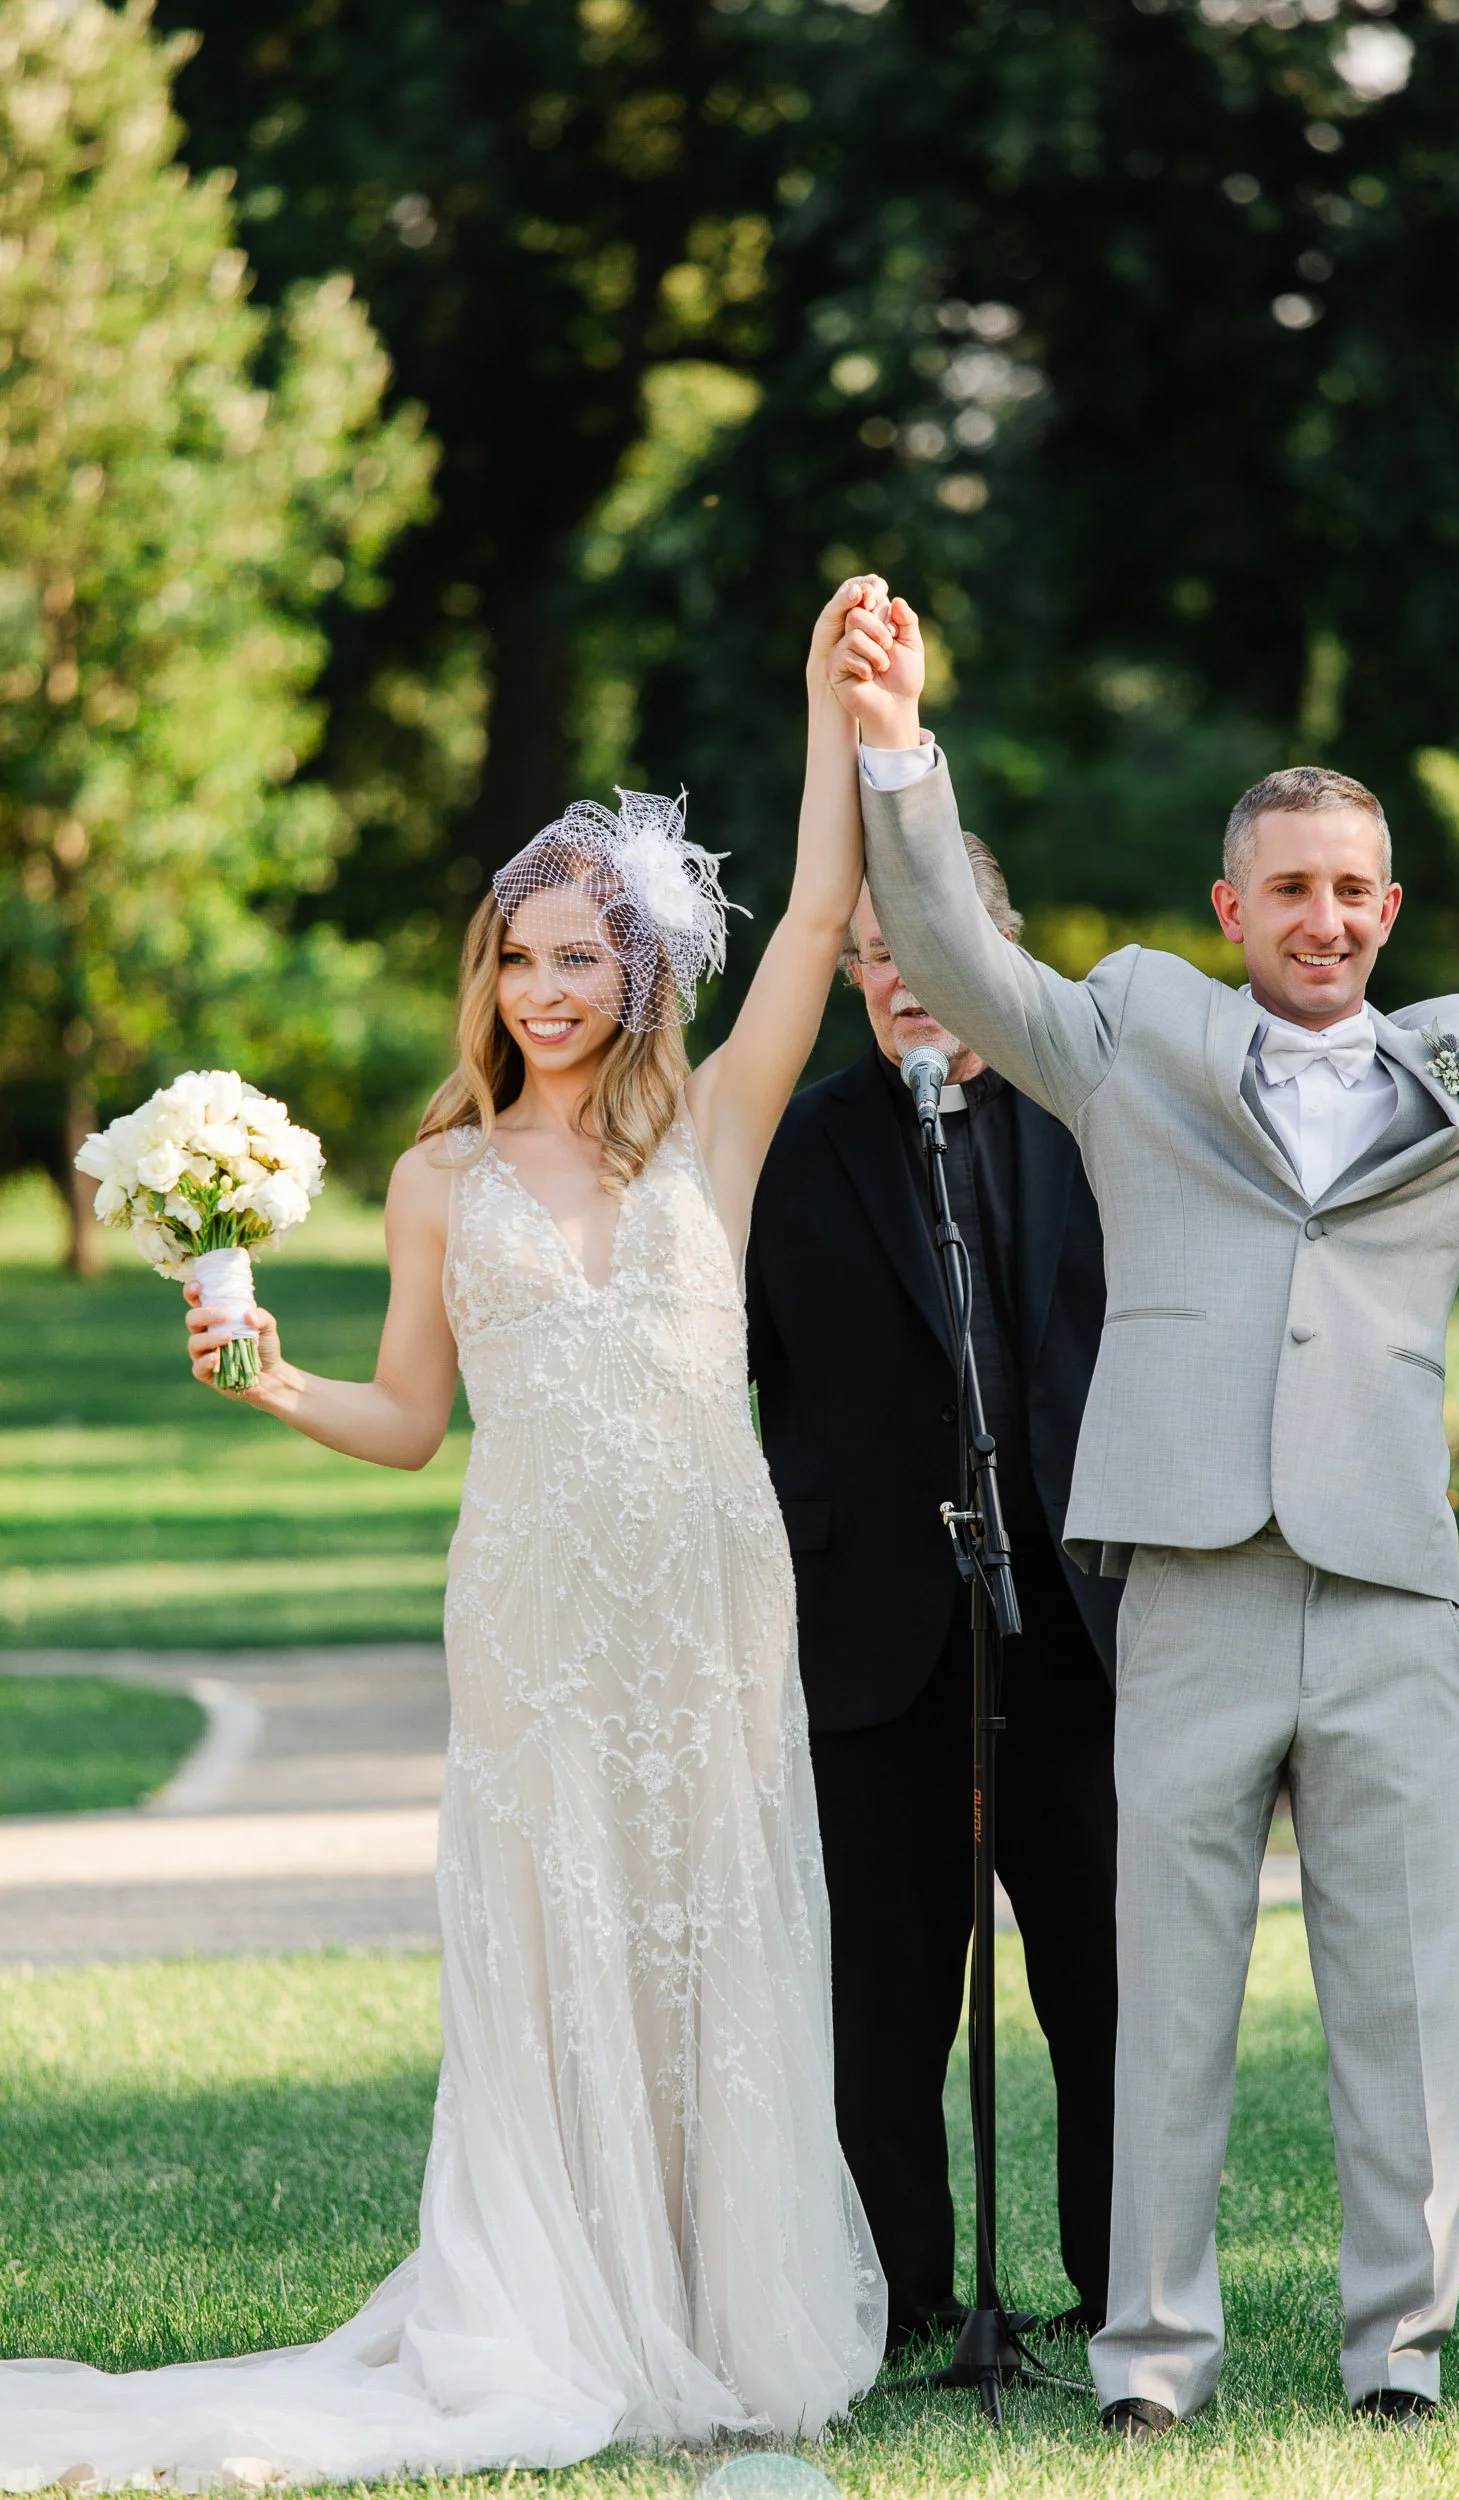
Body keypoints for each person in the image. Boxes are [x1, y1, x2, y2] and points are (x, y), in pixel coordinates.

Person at [0, 582, 892, 2489]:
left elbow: (816, 913)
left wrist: (838, 703)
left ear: (639, 972)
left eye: (581, 956)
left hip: (713, 1600)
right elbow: (411, 1423)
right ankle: (556, 2301)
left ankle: (713, 2301)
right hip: (536, 1605)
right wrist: (273, 1385)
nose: (546, 990)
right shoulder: (435, 1179)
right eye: (516, 958)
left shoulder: (716, 1132)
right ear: (482, 977)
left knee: (705, 1929)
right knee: (558, 1933)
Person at [827, 585, 1459, 2438]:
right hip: (1189, 1582)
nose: (1327, 918)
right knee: (1162, 2001)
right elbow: (963, 964)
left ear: (1389, 904)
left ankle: (1398, 2357)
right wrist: (895, 745)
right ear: (1232, 909)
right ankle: (1150, 2363)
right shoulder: (1132, 1035)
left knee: (1403, 2001)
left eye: (1354, 889)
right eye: (1290, 888)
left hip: (1383, 1591)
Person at [745, 842, 1122, 2351]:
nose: (900, 978)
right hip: (864, 1635)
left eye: (930, 946)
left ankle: (1125, 2289)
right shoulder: (777, 1139)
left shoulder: (1093, 1122)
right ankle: (899, 2300)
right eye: (871, 954)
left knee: (1104, 1989)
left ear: (995, 946)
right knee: (888, 2007)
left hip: (1079, 1633)